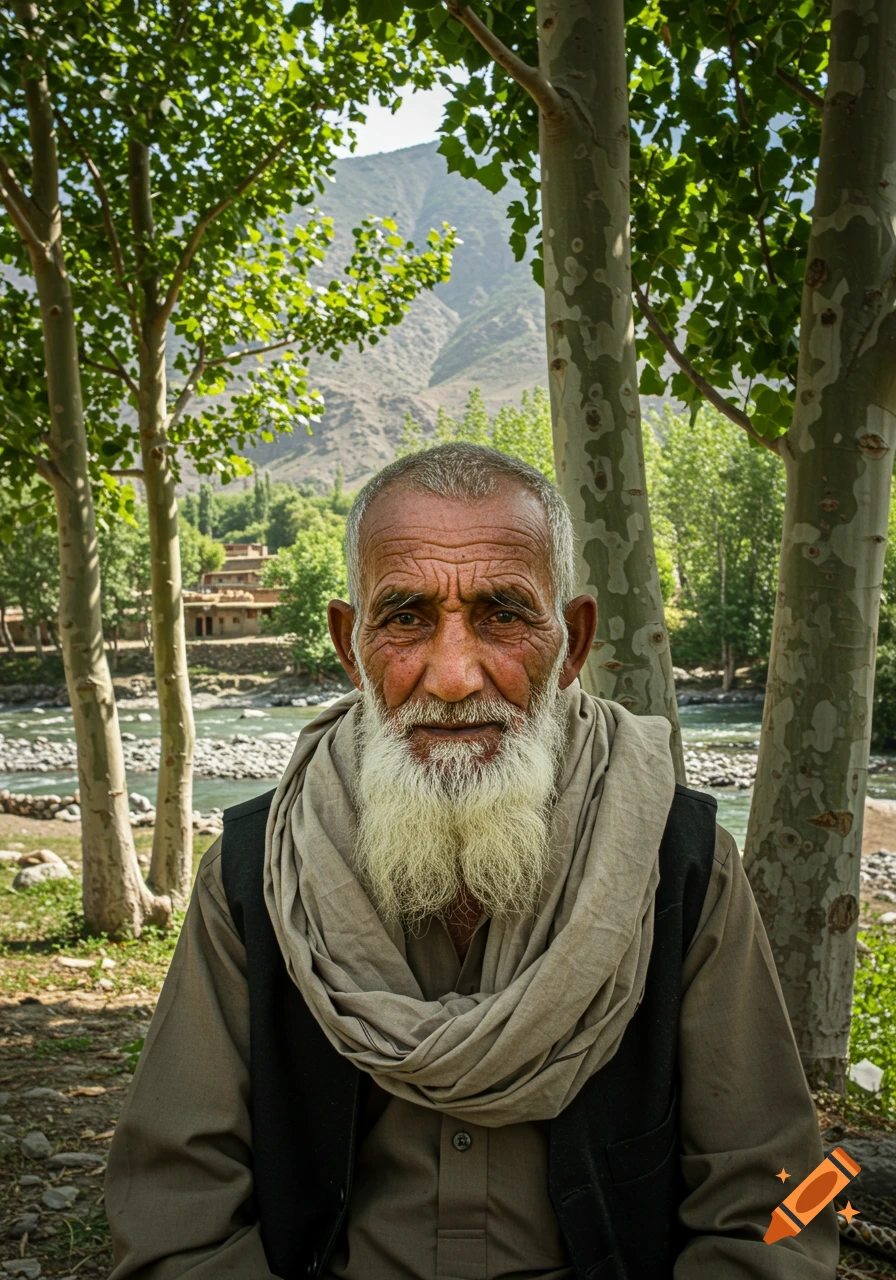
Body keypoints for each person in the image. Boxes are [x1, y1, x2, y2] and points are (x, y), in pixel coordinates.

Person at [105, 444, 838, 1279]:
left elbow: (790, 1195)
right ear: (352, 646)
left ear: (571, 645)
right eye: (408, 618)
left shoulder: (683, 859)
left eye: (502, 614)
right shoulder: (254, 872)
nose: (453, 677)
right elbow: (174, 1213)